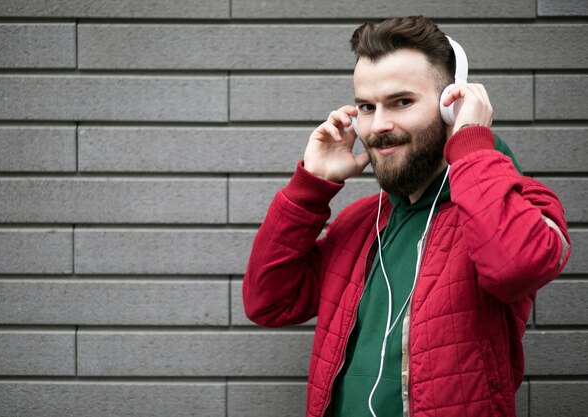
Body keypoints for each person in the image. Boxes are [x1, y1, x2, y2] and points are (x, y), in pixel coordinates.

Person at [243, 16, 571, 417]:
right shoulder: (359, 223)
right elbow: (268, 303)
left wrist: (471, 143)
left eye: (402, 102)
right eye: (367, 106)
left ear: (453, 105)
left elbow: (517, 267)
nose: (378, 126)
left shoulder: (521, 205)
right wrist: (310, 188)